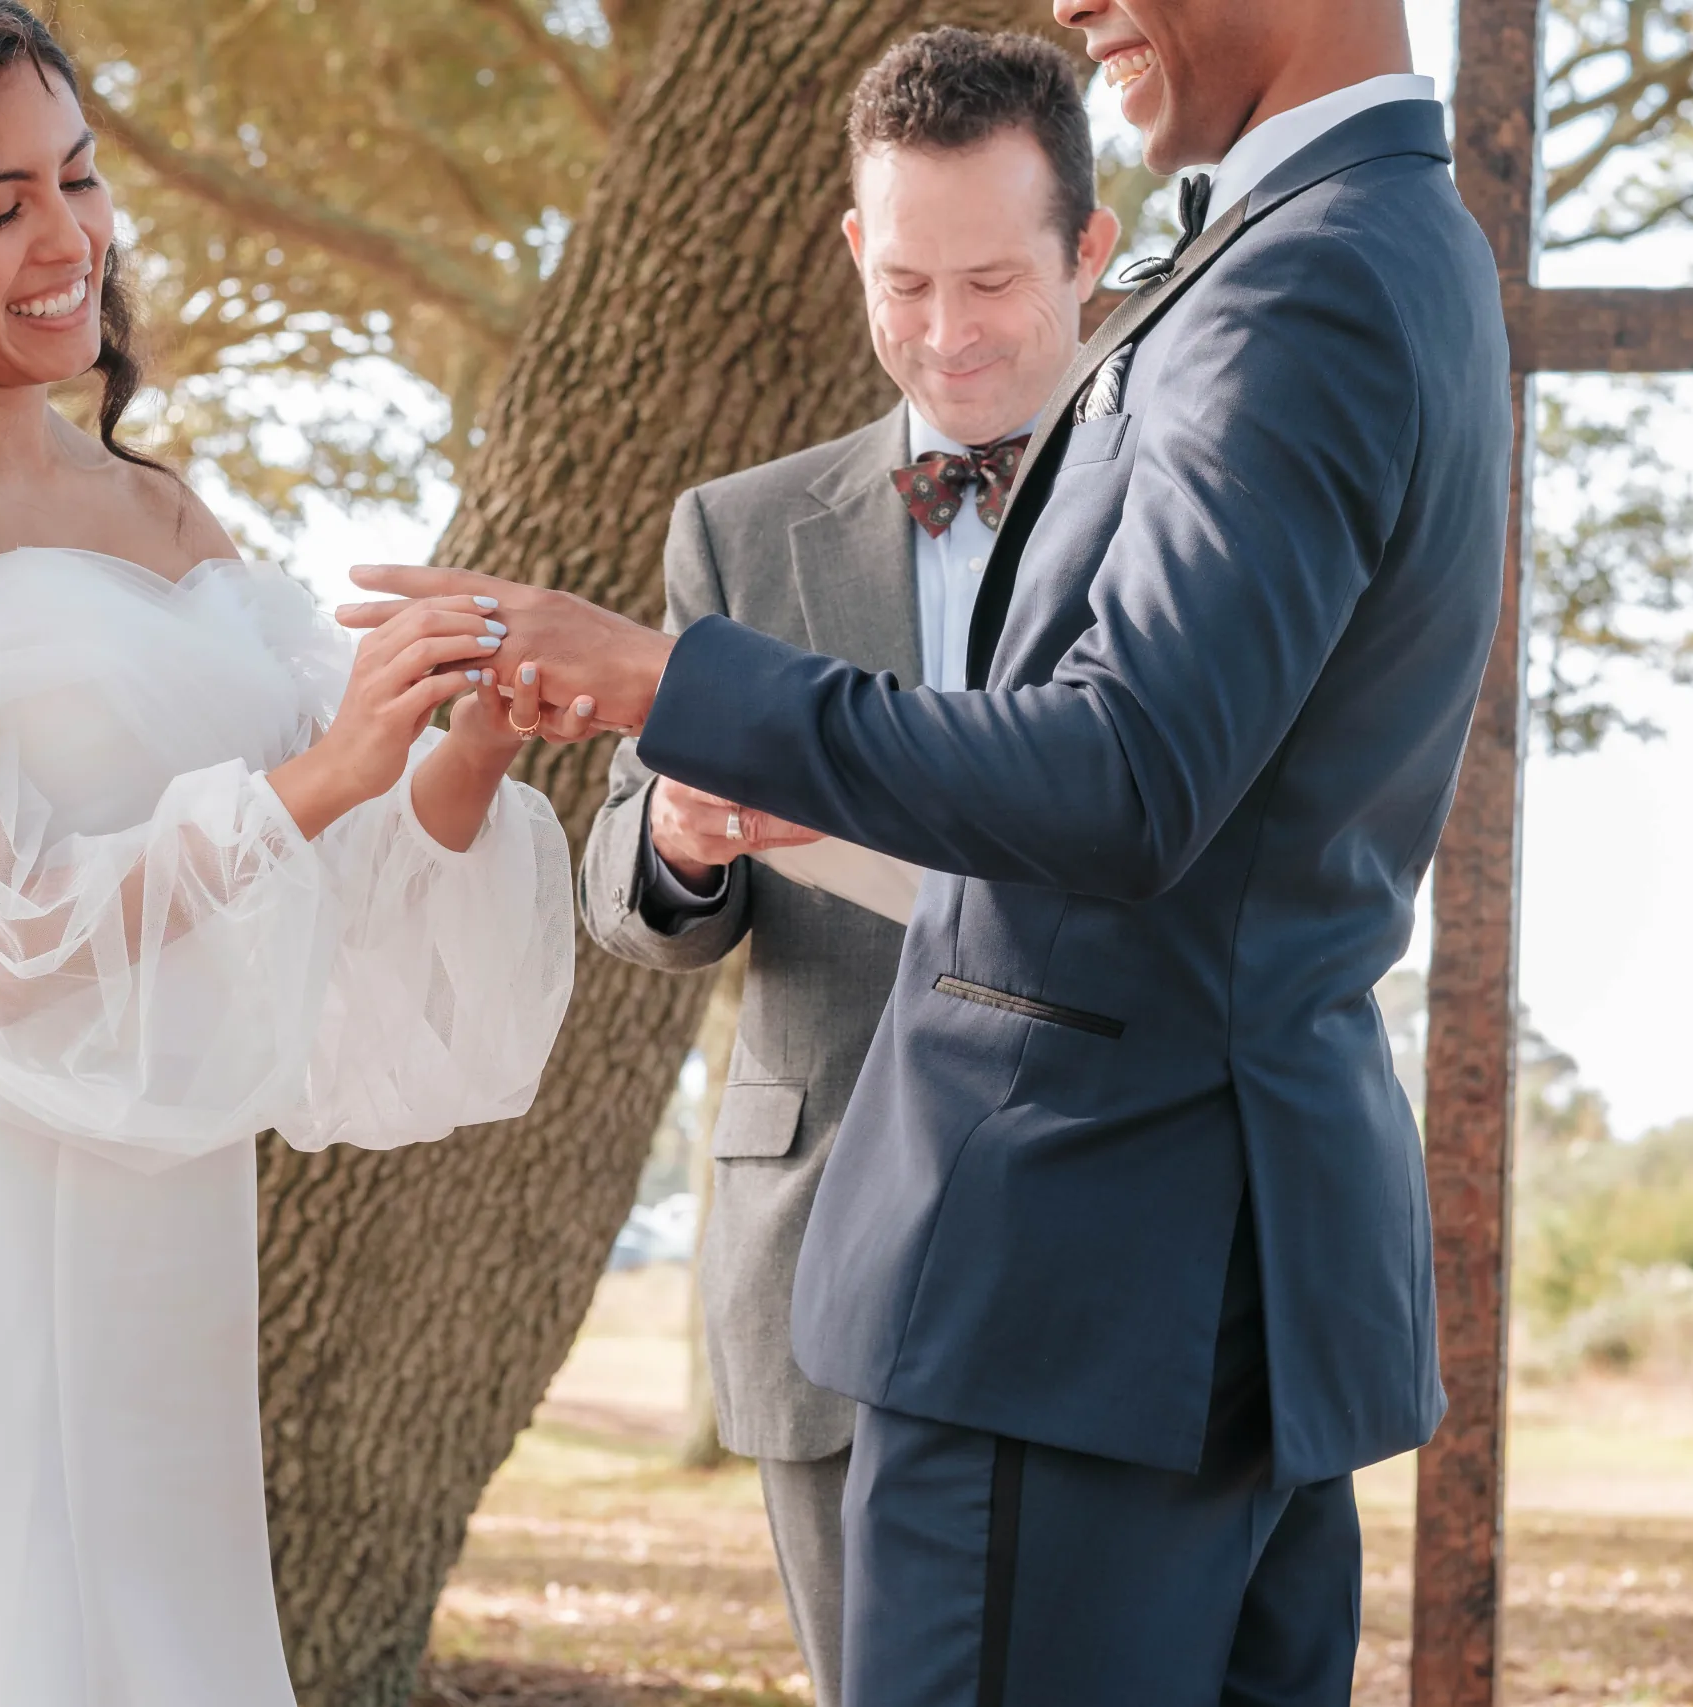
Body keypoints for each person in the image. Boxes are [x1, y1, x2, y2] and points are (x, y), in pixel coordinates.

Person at [345, 0, 1514, 1692]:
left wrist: (669, 679)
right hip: (1209, 1282)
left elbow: (1124, 771)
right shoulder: (1399, 244)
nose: (1076, 4)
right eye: (907, 282)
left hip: (1067, 1273)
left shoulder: (1302, 278)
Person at [0, 4, 587, 1699]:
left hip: (163, 1204)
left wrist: (472, 725)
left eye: (77, 177)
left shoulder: (165, 519)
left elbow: (352, 872)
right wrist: (315, 784)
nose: (68, 238)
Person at [576, 31, 1113, 1706]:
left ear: (1092, 252)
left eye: (993, 282)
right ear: (847, 253)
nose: (946, 337)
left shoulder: (1189, 507)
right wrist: (671, 838)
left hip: (1113, 1229)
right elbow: (623, 885)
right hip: (823, 1249)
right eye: (904, 282)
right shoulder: (737, 534)